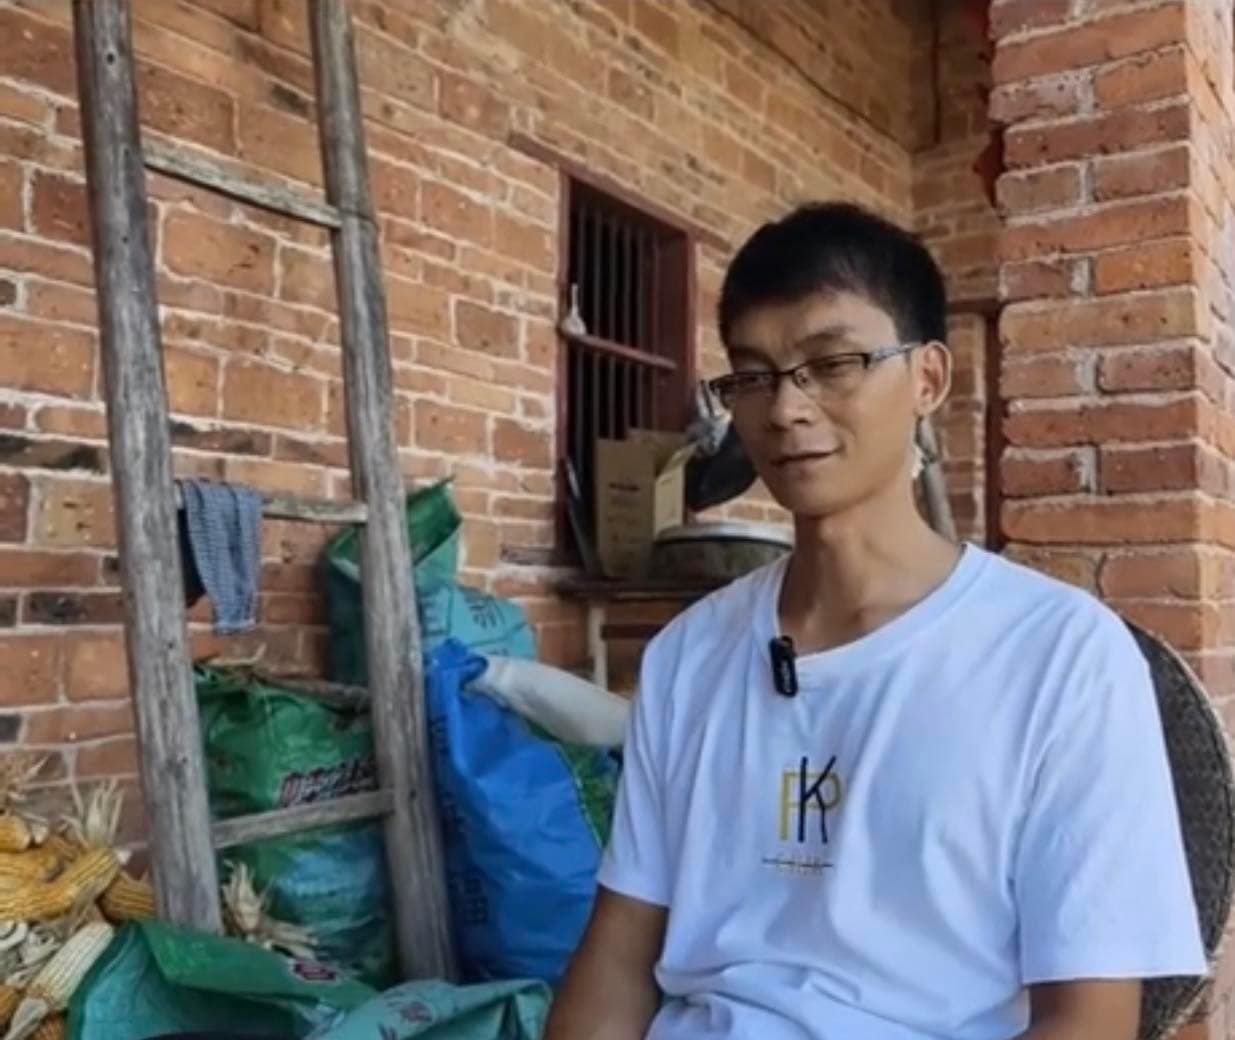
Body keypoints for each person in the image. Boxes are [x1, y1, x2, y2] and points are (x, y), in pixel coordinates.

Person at [542, 201, 1206, 1040]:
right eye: (752, 375)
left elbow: (1088, 1019)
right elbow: (617, 956)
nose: (785, 408)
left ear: (928, 378)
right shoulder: (689, 654)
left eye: (833, 363)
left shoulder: (1059, 656)